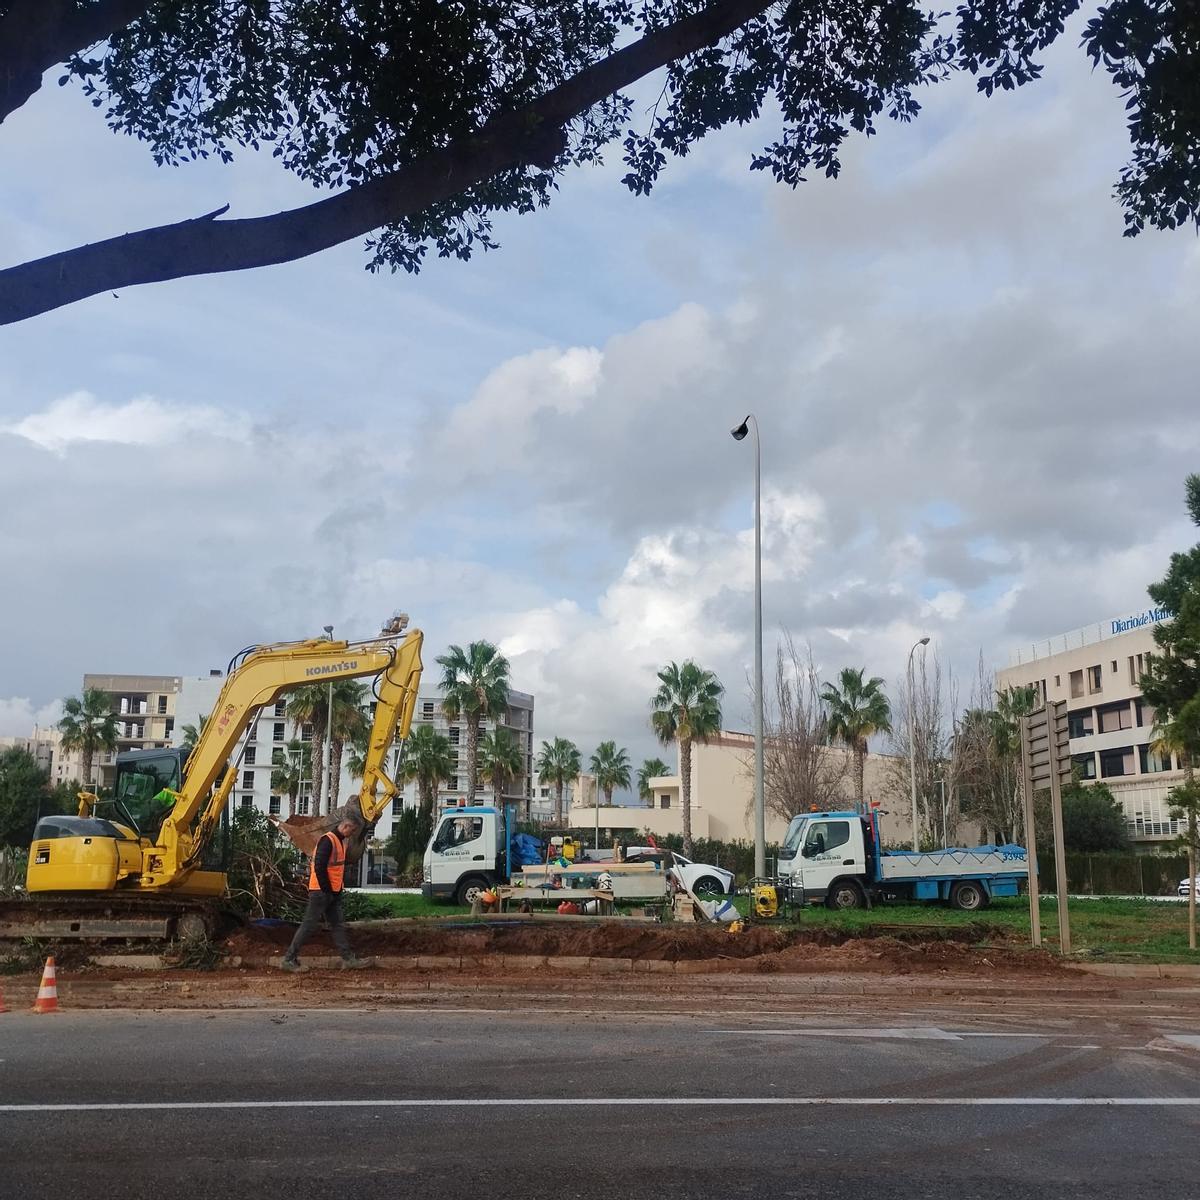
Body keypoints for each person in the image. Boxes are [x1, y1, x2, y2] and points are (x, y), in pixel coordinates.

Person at [279, 818, 369, 972]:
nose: (352, 834)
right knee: (309, 925)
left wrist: (335, 891)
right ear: (345, 826)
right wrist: (328, 890)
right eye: (352, 830)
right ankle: (288, 959)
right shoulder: (328, 841)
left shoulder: (340, 841)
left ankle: (348, 959)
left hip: (331, 892)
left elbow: (334, 868)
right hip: (322, 892)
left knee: (337, 925)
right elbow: (319, 866)